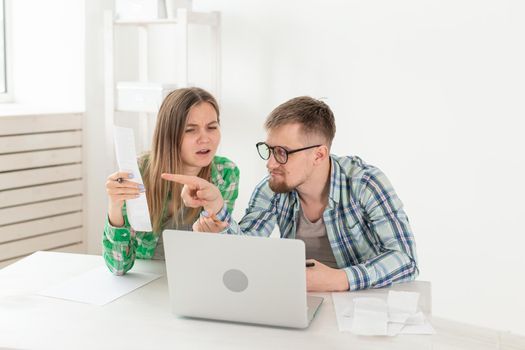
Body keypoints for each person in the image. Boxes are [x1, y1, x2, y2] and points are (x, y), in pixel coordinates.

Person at [163, 96, 418, 292]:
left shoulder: (365, 183)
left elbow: (406, 261)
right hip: (301, 301)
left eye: (282, 152)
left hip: (364, 307)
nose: (271, 163)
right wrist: (218, 208)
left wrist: (339, 279)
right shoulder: (272, 187)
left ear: (319, 154)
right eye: (269, 149)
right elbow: (247, 247)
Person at [103, 87, 239, 275]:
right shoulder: (138, 171)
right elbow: (118, 268)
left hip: (195, 277)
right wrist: (115, 208)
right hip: (146, 281)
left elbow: (221, 258)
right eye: (191, 130)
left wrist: (216, 234)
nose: (205, 138)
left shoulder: (225, 173)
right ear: (169, 135)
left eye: (212, 127)